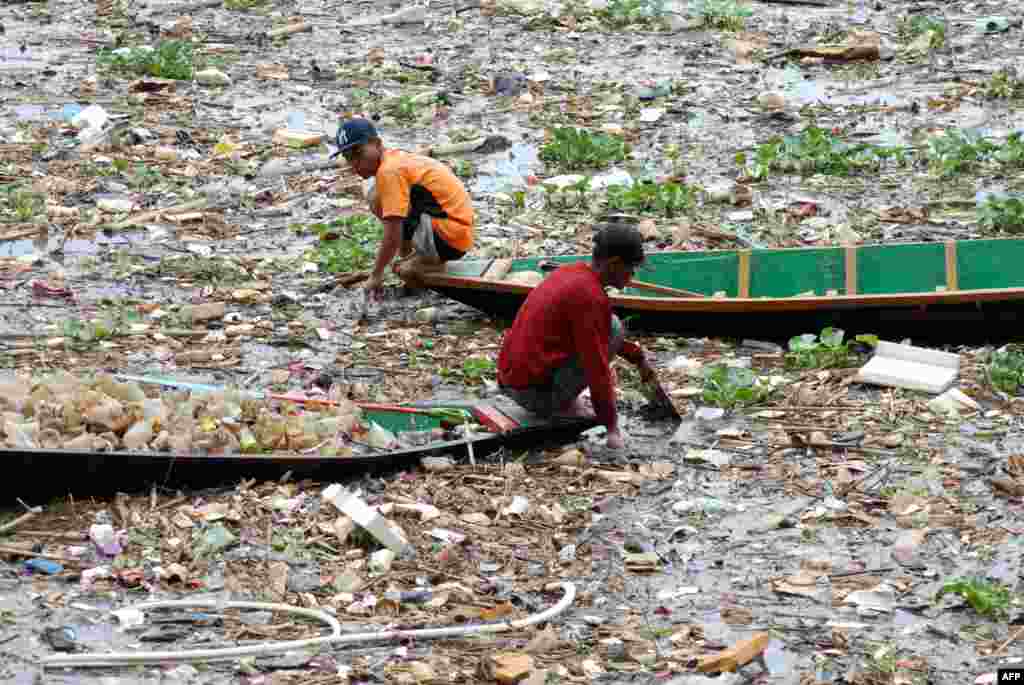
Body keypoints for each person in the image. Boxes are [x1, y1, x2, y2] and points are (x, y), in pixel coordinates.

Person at [497, 225, 655, 450]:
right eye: (631, 268)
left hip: (510, 381)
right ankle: (560, 404)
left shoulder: (571, 273)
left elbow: (597, 330)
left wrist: (638, 359)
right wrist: (612, 428)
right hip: (530, 394)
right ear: (614, 264)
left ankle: (560, 399)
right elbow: (597, 368)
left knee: (611, 324)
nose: (633, 276)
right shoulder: (590, 297)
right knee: (615, 327)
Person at [333, 118, 475, 298]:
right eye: (348, 157)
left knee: (404, 269)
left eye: (358, 153)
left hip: (451, 235)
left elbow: (392, 234)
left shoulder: (389, 171)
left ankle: (429, 263)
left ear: (377, 144)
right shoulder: (393, 158)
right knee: (376, 197)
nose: (355, 163)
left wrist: (376, 275)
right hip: (452, 227)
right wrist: (380, 270)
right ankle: (416, 258)